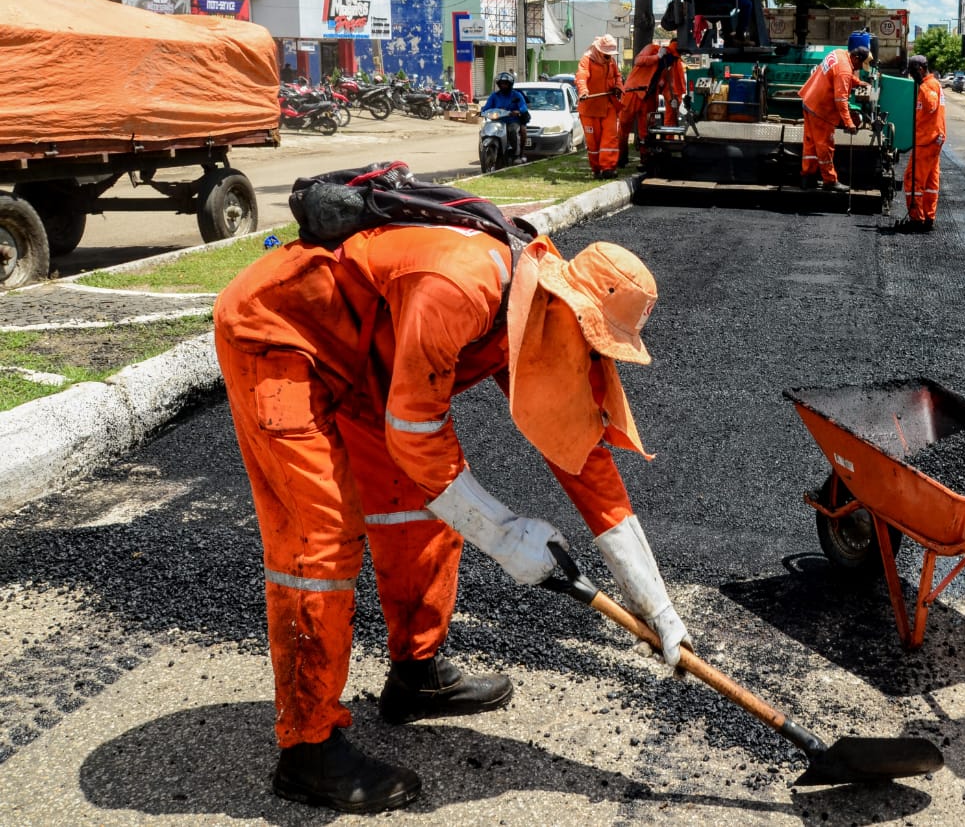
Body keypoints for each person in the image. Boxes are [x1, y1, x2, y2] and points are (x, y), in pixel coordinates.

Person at [214, 219, 690, 814]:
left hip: (369, 363)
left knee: (423, 513)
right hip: (281, 337)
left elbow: (582, 460)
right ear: (568, 307)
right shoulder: (463, 291)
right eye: (593, 342)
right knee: (322, 538)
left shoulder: (536, 314)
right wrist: (507, 536)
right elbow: (418, 438)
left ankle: (415, 676)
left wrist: (659, 607)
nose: (591, 358)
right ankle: (308, 749)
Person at [798, 32, 870, 192]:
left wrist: (857, 82)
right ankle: (830, 180)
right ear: (856, 58)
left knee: (810, 144)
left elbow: (840, 74)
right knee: (825, 146)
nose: (859, 68)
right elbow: (841, 100)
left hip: (810, 101)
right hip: (821, 110)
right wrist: (849, 123)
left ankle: (807, 177)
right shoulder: (845, 70)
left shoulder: (839, 53)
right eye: (860, 65)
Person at [894, 53, 946, 231]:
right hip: (934, 139)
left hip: (927, 139)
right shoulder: (933, 84)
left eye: (913, 72)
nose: (911, 76)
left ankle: (916, 219)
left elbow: (931, 106)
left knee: (912, 179)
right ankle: (928, 218)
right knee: (931, 181)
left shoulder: (928, 86)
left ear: (921, 70)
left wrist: (923, 90)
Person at [619, 40, 686, 166]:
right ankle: (621, 158)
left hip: (649, 98)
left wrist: (673, 101)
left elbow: (669, 87)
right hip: (632, 93)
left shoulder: (670, 65)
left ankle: (645, 160)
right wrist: (657, 57)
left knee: (646, 131)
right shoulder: (652, 49)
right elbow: (638, 61)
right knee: (624, 126)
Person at [576, 35, 623, 178]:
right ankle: (596, 169)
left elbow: (617, 77)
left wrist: (618, 87)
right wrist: (583, 91)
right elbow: (581, 76)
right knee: (593, 142)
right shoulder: (587, 60)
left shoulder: (611, 62)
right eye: (607, 54)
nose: (609, 57)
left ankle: (608, 168)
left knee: (610, 137)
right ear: (599, 50)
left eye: (611, 54)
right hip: (590, 107)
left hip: (608, 104)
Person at [481, 73, 529, 162]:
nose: (503, 85)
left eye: (506, 83)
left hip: (512, 120)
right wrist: (482, 111)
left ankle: (516, 154)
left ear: (510, 84)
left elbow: (523, 106)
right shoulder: (494, 96)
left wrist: (518, 111)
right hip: (497, 121)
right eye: (501, 83)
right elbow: (487, 107)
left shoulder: (516, 95)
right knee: (484, 130)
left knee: (512, 131)